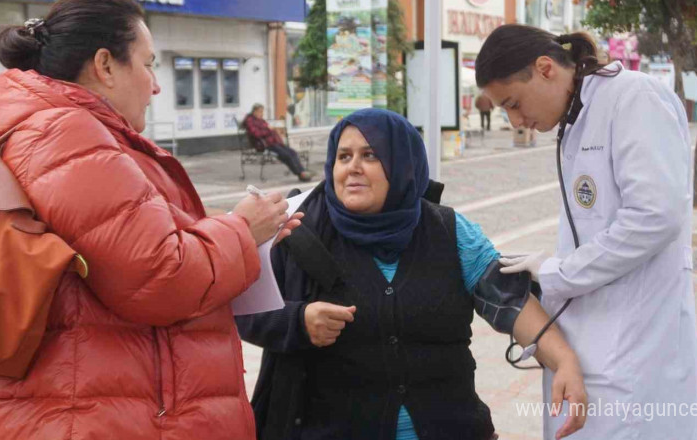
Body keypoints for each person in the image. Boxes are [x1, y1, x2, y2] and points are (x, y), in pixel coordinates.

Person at [0, 0, 302, 438]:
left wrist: (238, 233)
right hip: (92, 415)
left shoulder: (32, 126)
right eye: (148, 64)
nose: (155, 87)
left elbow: (123, 247)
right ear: (105, 66)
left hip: (75, 405)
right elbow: (160, 278)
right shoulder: (65, 134)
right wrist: (242, 231)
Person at [236, 108, 587, 440]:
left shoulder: (448, 230)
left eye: (370, 155)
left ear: (402, 163)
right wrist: (299, 321)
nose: (353, 167)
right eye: (344, 157)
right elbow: (244, 313)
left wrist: (564, 359)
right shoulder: (296, 229)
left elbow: (508, 300)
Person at [476, 24, 697, 439]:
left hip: (636, 344)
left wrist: (558, 271)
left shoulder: (633, 97)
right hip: (594, 339)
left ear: (545, 68)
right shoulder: (574, 119)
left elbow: (655, 215)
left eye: (513, 103)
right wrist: (552, 271)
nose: (515, 120)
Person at [243, 103, 314, 182]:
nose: (262, 114)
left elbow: (268, 130)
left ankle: (302, 171)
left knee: (292, 152)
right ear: (254, 111)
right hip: (263, 144)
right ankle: (301, 173)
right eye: (260, 112)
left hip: (273, 142)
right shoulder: (250, 121)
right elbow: (256, 134)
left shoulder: (260, 120)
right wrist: (269, 129)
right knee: (286, 155)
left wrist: (273, 131)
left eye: (262, 112)